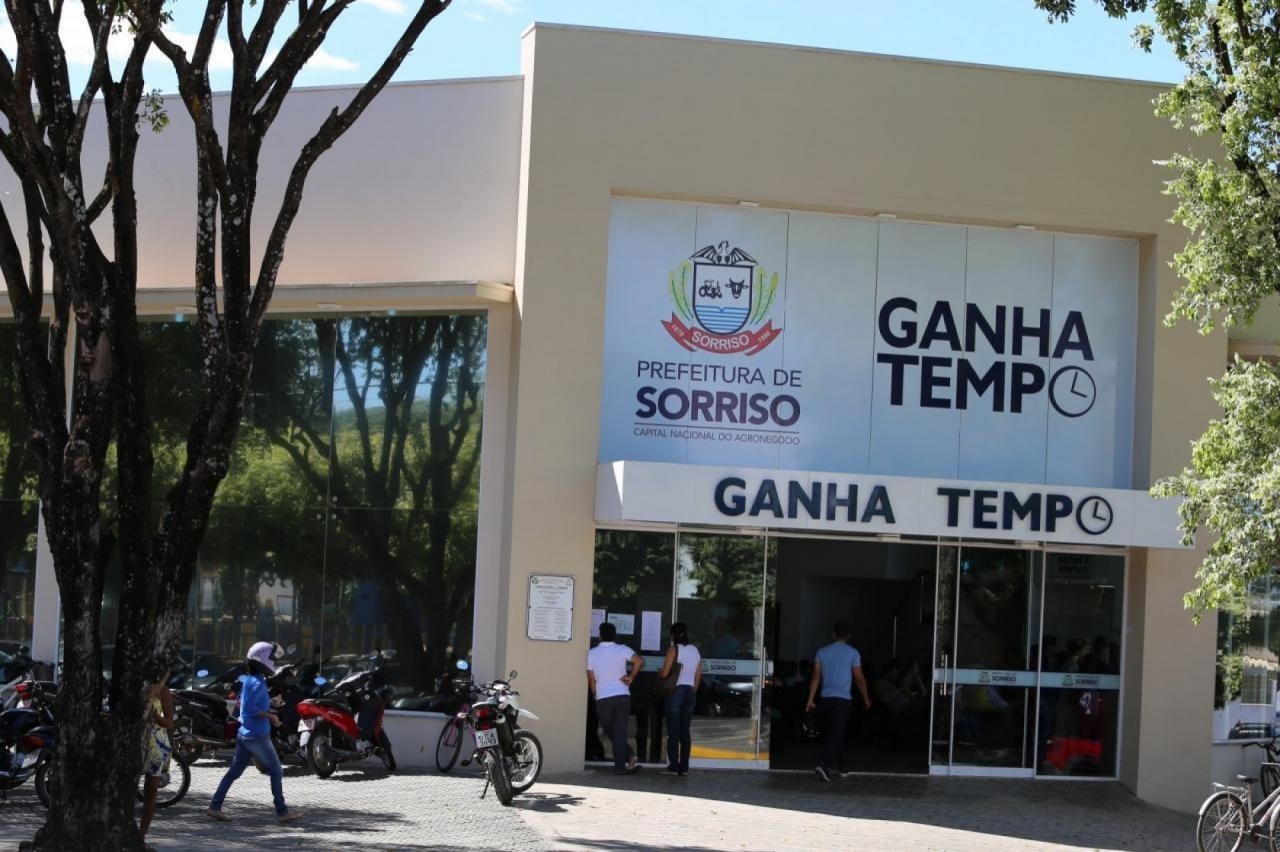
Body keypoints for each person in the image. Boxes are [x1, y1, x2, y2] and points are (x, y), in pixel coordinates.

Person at [207, 642, 303, 824]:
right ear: (263, 660)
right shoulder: (258, 683)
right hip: (257, 735)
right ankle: (282, 812)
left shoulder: (250, 680)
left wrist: (271, 703)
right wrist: (272, 717)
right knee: (276, 770)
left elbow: (248, 705)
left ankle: (215, 807)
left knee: (234, 772)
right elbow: (250, 709)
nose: (274, 663)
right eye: (272, 659)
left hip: (246, 734)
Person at [805, 621, 871, 782]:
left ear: (833, 634)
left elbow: (816, 677)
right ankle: (824, 765)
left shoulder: (822, 652)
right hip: (842, 700)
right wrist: (866, 698)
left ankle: (844, 766)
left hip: (826, 699)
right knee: (837, 733)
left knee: (835, 733)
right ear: (848, 636)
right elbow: (859, 679)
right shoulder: (853, 653)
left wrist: (810, 699)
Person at [586, 621, 643, 775]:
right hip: (622, 695)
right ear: (615, 635)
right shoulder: (622, 649)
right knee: (619, 732)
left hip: (603, 697)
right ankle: (628, 758)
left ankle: (622, 764)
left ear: (599, 635)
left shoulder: (592, 653)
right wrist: (631, 677)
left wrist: (595, 695)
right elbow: (639, 661)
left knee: (610, 731)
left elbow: (591, 679)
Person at [658, 621, 701, 777]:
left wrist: (660, 673)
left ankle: (673, 767)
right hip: (690, 691)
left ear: (673, 635)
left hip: (676, 691)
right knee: (685, 731)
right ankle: (685, 767)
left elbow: (664, 673)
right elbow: (698, 674)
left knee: (673, 730)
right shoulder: (694, 650)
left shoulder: (673, 649)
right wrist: (692, 690)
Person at [139, 669, 175, 846]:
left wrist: (155, 716)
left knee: (151, 791)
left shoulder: (163, 691)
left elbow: (169, 722)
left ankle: (142, 835)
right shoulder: (136, 688)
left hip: (157, 745)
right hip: (136, 742)